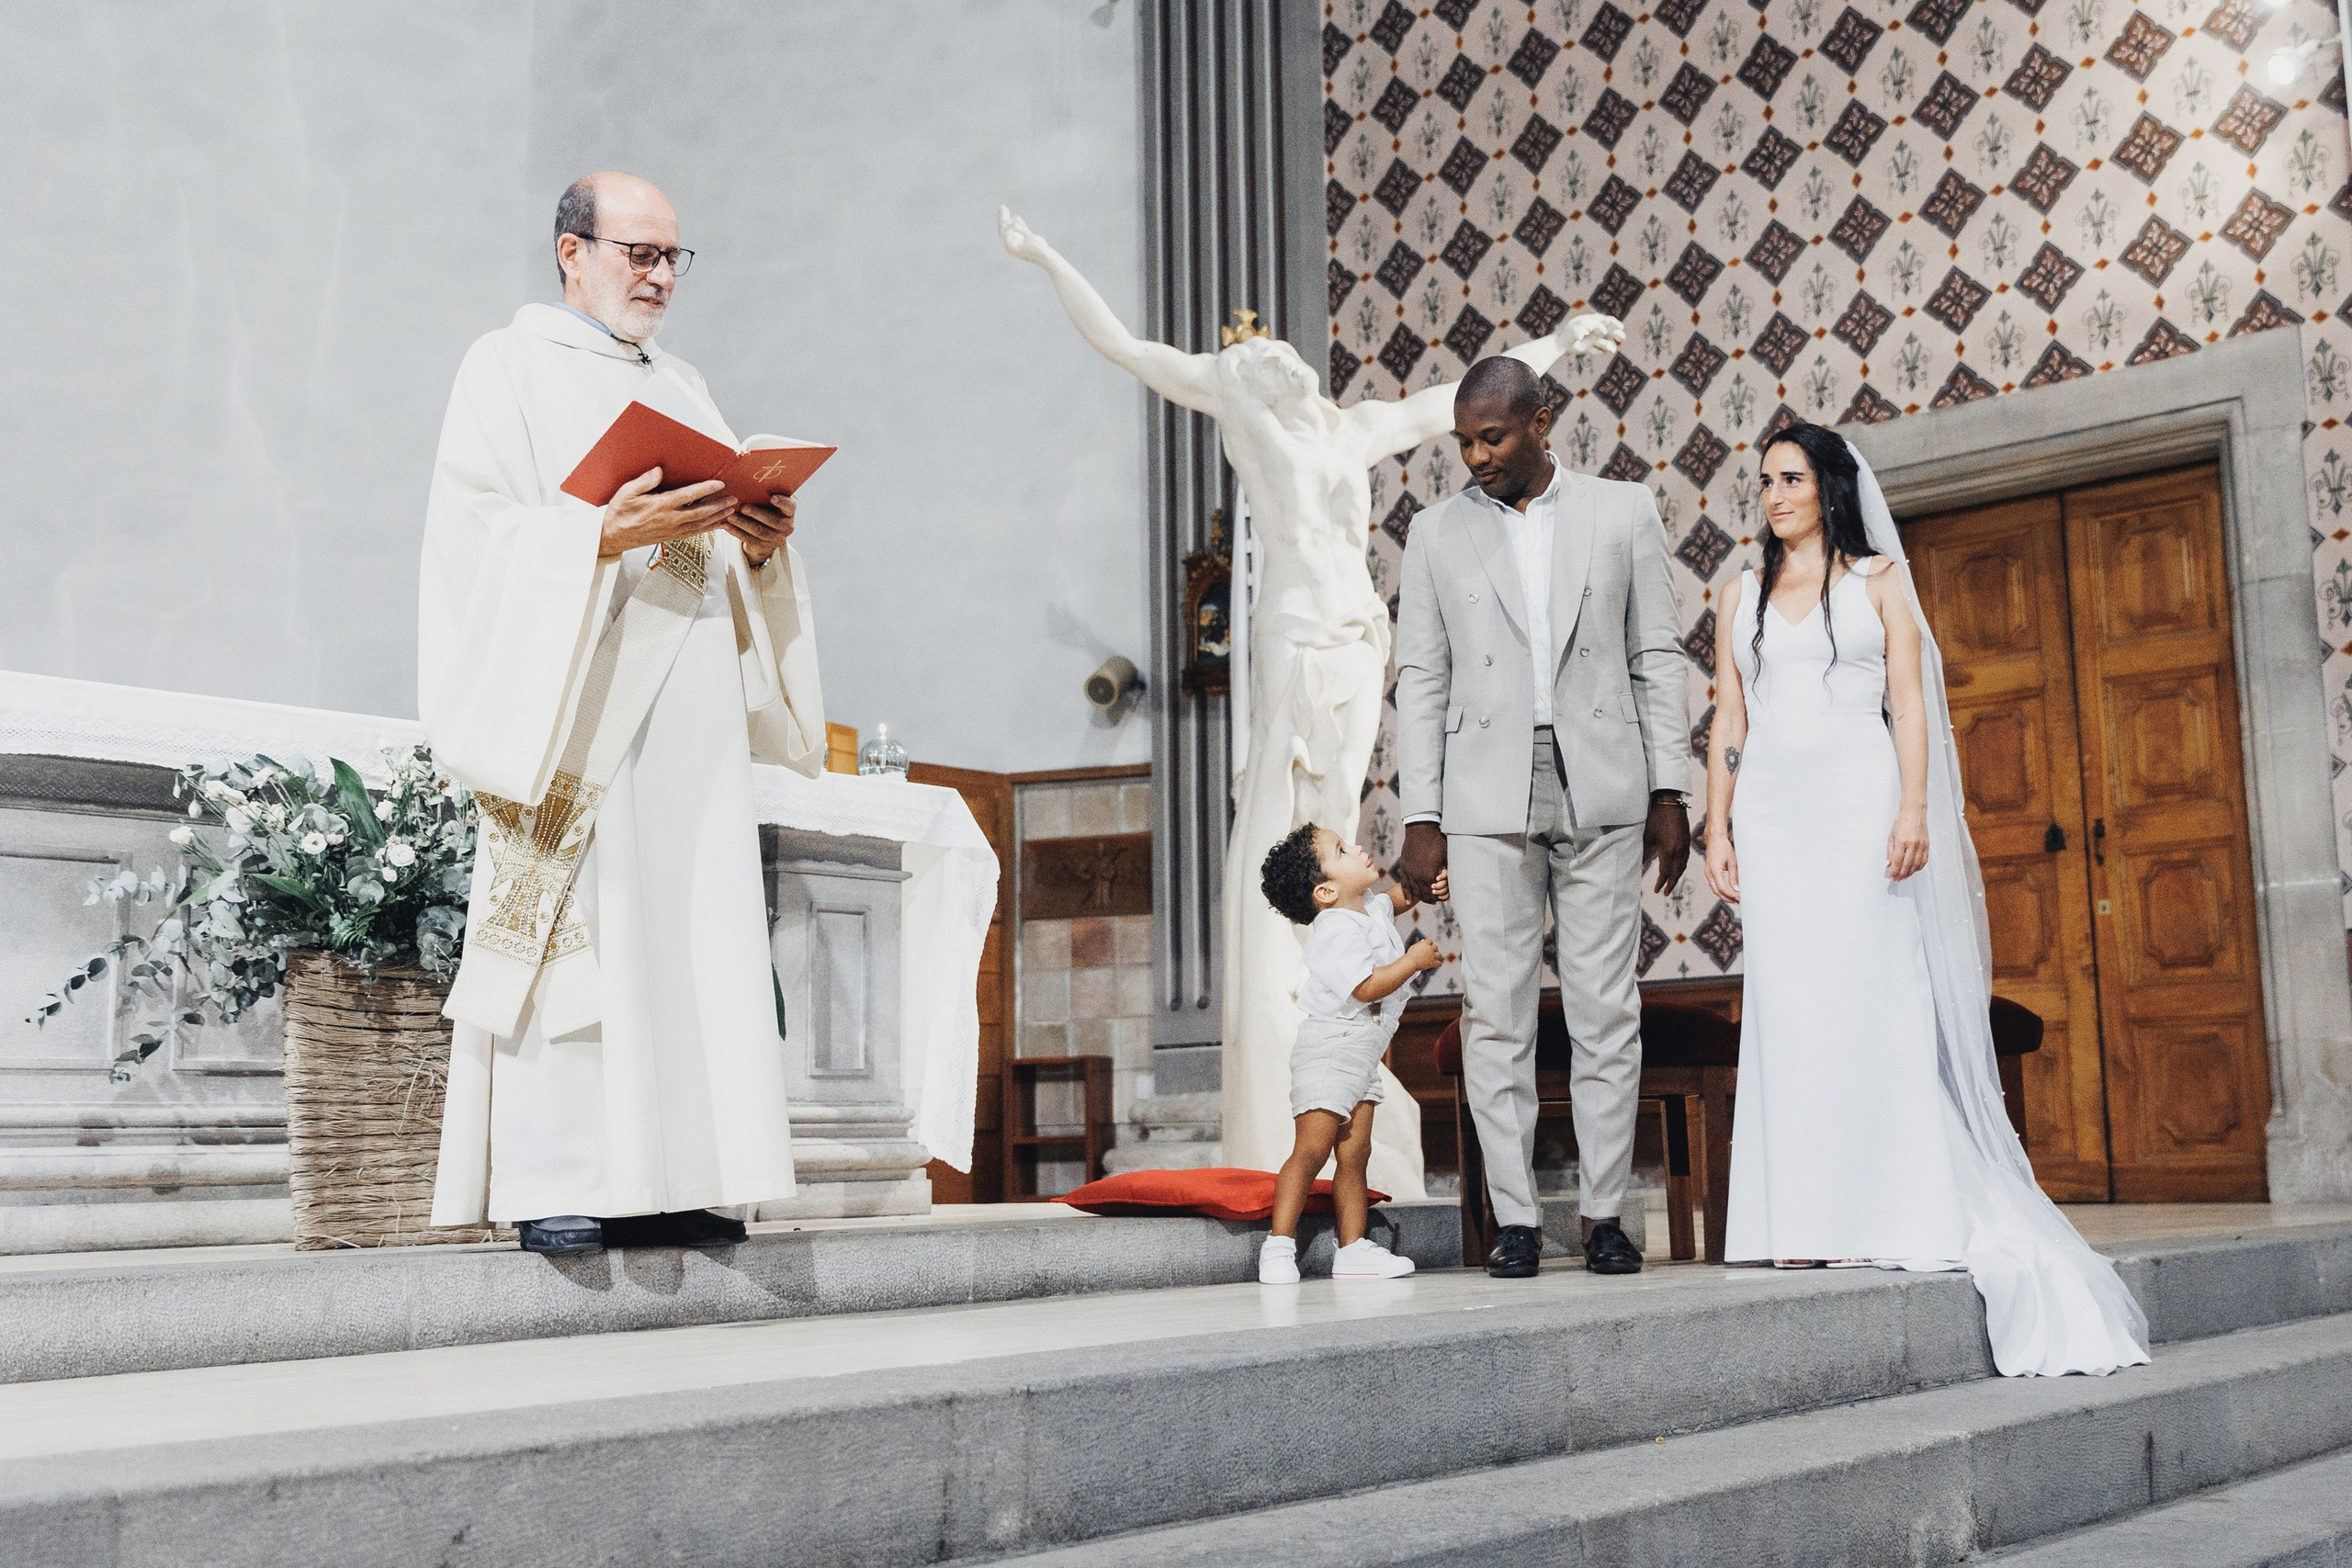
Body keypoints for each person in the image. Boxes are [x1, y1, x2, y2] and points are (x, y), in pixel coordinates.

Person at [1001, 204, 1625, 1204]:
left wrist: (1554, 343)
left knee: (1333, 817)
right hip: (1294, 634)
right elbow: (1125, 347)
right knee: (1295, 820)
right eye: (1249, 360)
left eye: (1278, 354)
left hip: (1352, 635)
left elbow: (1450, 399)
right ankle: (1297, 1020)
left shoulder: (1351, 427)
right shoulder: (1243, 414)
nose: (1267, 360)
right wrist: (1047, 258)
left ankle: (1333, 988)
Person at [417, 172, 827, 1257]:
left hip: (685, 715)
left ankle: (683, 1177)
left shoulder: (684, 386)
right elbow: (473, 538)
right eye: (637, 253)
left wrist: (759, 542)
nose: (657, 277)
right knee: (585, 941)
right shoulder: (505, 367)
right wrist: (593, 536)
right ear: (571, 251)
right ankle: (566, 1177)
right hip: (577, 714)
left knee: (688, 933)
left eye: (670, 258)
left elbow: (706, 548)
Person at [1704, 422, 2149, 1376]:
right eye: (1765, 481)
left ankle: (1887, 1205)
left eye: (1789, 478)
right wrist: (1717, 824)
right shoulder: (1737, 596)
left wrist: (1914, 808)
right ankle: (1802, 1217)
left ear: (1826, 486)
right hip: (1776, 817)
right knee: (1792, 1007)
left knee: (1872, 998)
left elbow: (1909, 704)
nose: (1773, 495)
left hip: (1864, 805)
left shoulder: (1878, 583)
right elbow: (1729, 721)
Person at [1392, 357, 1691, 1280]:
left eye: (1493, 437)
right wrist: (1422, 814)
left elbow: (1656, 655)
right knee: (1496, 1012)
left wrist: (1669, 791)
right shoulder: (1435, 533)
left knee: (1606, 1008)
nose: (1476, 457)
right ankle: (1515, 1219)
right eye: (1464, 442)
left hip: (1602, 780)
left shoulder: (1622, 512)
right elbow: (1422, 679)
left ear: (1541, 422)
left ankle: (1605, 1215)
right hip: (1484, 794)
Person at [1254, 824, 1445, 1284]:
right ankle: (1278, 1245)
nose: (1358, 848)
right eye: (1342, 850)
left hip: (1361, 1053)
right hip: (1331, 1049)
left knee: (1355, 1153)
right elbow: (1365, 987)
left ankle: (1354, 1248)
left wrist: (1427, 889)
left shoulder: (1366, 908)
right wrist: (1412, 962)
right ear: (1325, 890)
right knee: (1313, 1148)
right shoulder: (1334, 930)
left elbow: (1398, 897)